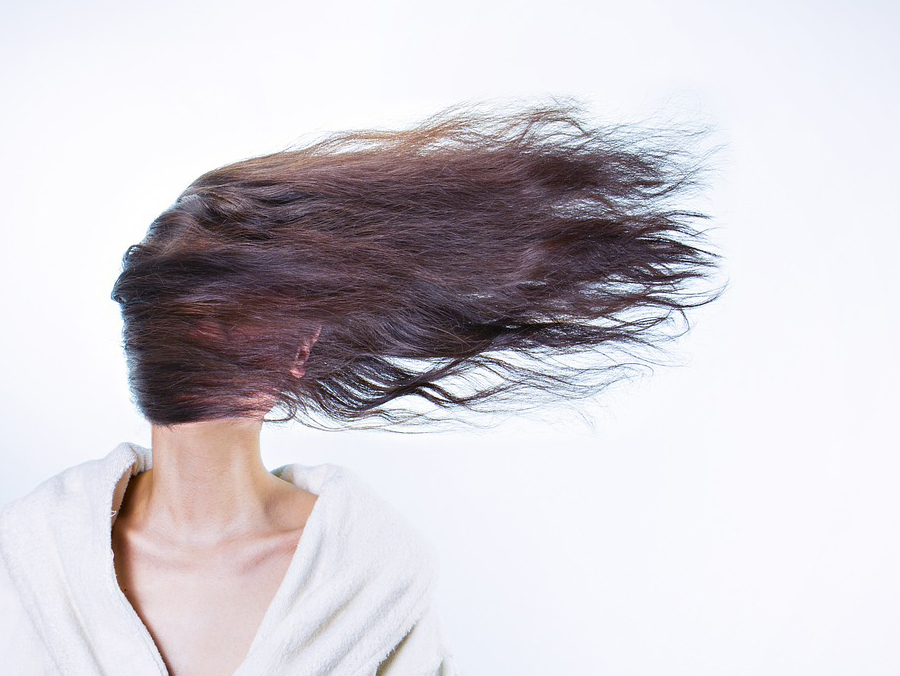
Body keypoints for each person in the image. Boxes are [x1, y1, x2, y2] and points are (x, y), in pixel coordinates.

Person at [0, 97, 724, 675]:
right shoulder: (33, 559)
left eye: (244, 318)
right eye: (199, 319)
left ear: (300, 350)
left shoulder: (367, 571)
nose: (212, 338)